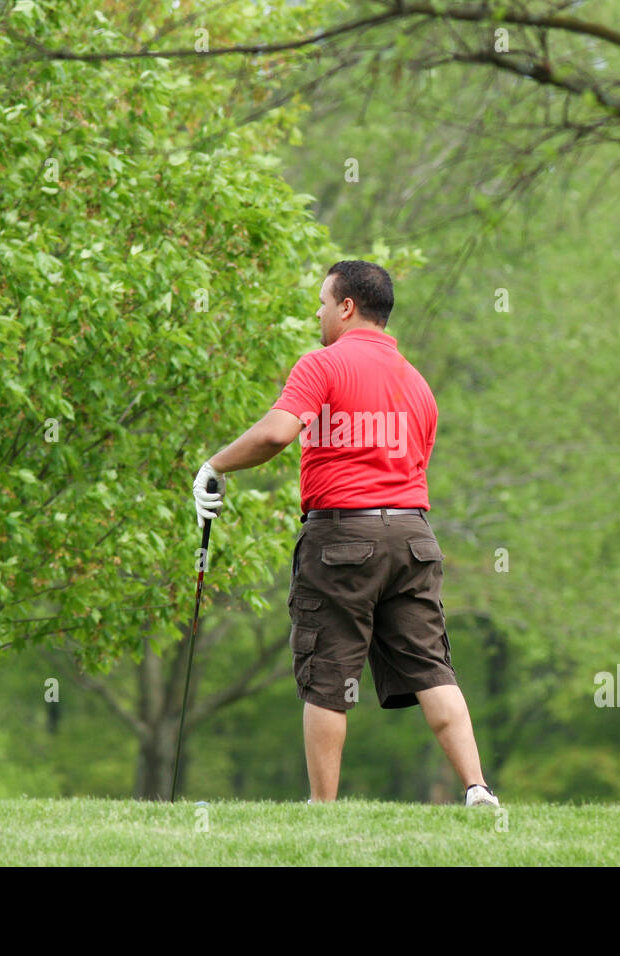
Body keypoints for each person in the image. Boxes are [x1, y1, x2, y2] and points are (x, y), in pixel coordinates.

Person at [191, 260, 498, 808]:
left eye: (323, 301)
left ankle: (321, 807)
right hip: (414, 538)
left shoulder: (321, 365)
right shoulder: (418, 383)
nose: (318, 312)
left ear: (347, 307)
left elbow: (276, 435)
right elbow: (416, 466)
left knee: (327, 671)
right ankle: (477, 790)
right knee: (432, 666)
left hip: (341, 541)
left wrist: (214, 466)